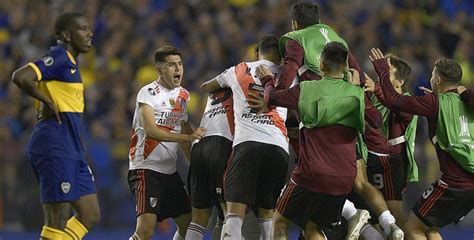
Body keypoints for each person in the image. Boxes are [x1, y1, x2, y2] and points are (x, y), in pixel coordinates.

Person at [272, 2, 403, 239]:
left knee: (285, 219)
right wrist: (364, 96)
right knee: (358, 185)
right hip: (348, 133)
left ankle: (355, 213)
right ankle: (387, 223)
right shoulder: (337, 39)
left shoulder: (297, 44)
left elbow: (284, 82)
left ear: (294, 23)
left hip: (318, 128)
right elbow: (370, 108)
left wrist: (274, 87)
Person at [251, 42, 364, 240]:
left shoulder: (307, 89)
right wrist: (357, 90)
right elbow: (376, 120)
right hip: (344, 177)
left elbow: (273, 98)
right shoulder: (357, 94)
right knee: (312, 227)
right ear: (346, 67)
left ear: (321, 65)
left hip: (312, 173)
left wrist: (267, 79)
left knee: (279, 222)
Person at [368, 48, 474, 240]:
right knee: (429, 227)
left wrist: (383, 70)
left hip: (455, 183)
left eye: (433, 75)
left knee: (412, 229)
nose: (431, 79)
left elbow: (393, 100)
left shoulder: (436, 102)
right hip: (470, 181)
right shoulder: (465, 101)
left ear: (438, 80)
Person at [11, 12, 99, 240]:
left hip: (72, 148)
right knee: (57, 219)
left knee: (90, 213)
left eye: (89, 28)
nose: (90, 33)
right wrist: (47, 100)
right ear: (67, 35)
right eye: (83, 29)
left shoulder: (71, 63)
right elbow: (21, 76)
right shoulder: (59, 57)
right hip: (54, 145)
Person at [201, 35, 289, 240]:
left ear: (257, 52)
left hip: (247, 146)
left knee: (234, 212)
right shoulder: (288, 76)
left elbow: (207, 86)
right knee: (267, 214)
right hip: (278, 148)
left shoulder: (239, 69)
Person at [127, 46, 206, 240]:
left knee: (189, 227)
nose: (177, 69)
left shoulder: (184, 96)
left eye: (180, 64)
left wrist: (195, 163)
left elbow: (186, 130)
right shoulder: (147, 93)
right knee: (145, 231)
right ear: (160, 69)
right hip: (145, 169)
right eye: (171, 65)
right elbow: (150, 131)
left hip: (169, 173)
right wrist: (186, 137)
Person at [364, 55, 418, 225]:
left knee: (393, 213)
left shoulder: (408, 101)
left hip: (393, 162)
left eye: (387, 73)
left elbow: (397, 107)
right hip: (371, 159)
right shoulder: (374, 96)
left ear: (399, 82)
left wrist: (378, 90)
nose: (382, 76)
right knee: (372, 212)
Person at [185, 87, 234, 240]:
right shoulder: (240, 88)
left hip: (200, 145)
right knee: (230, 212)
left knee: (199, 217)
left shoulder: (212, 95)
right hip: (222, 145)